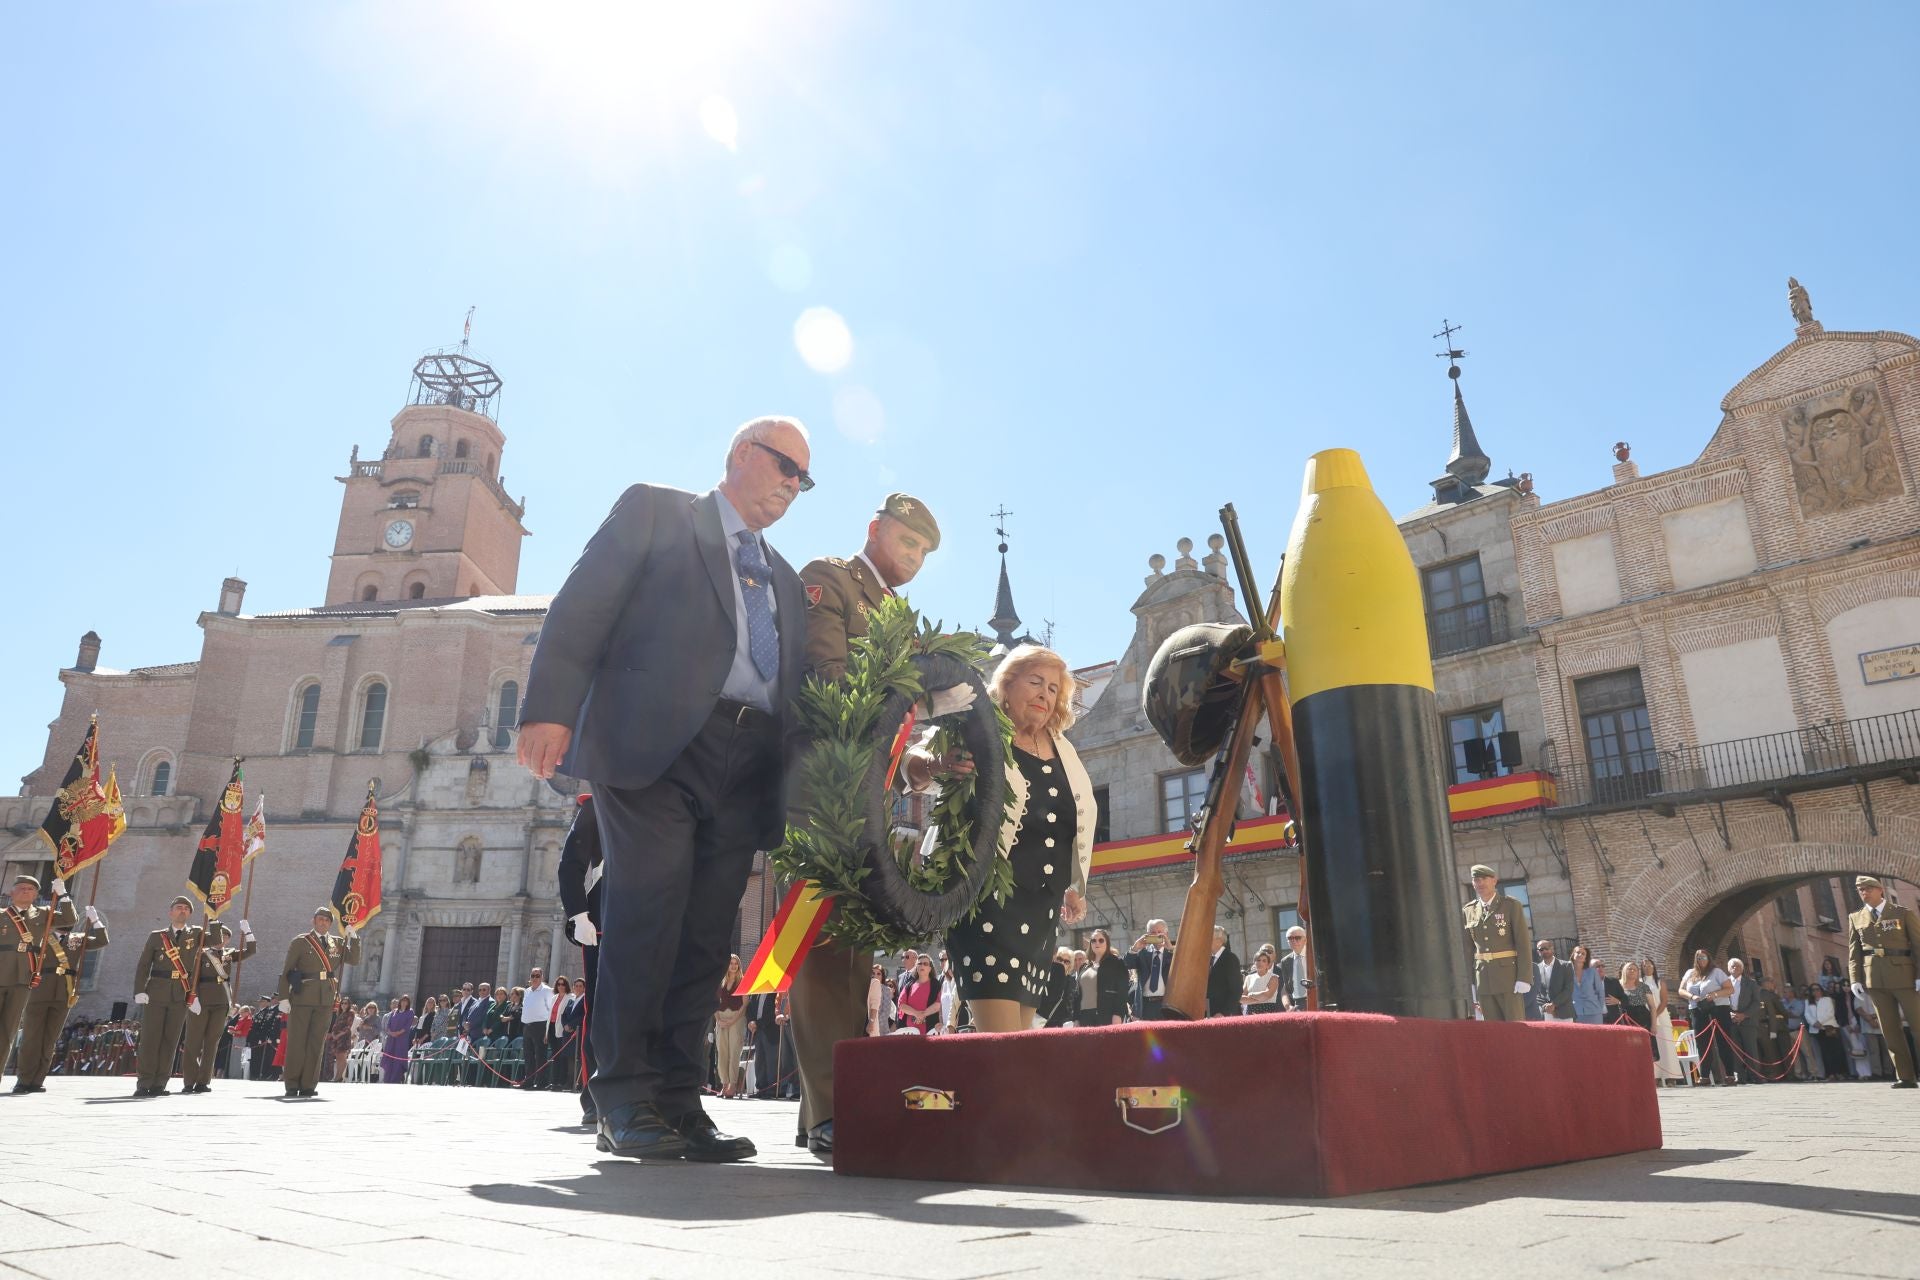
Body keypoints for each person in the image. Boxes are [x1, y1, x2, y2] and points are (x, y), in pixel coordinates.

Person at [519, 416, 812, 1164]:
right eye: (785, 467)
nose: (792, 486)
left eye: (803, 481)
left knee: (707, 936)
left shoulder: (784, 576)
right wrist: (549, 709)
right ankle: (621, 1096)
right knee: (647, 914)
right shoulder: (655, 511)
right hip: (654, 744)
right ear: (742, 454)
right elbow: (583, 605)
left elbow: (799, 684)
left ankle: (680, 1103)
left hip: (748, 761)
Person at [787, 491, 949, 1158]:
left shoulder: (896, 616)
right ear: (874, 530)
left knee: (854, 959)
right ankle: (831, 1113)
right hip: (821, 787)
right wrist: (896, 745)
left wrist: (911, 757)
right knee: (826, 952)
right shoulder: (830, 580)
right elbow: (831, 681)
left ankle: (818, 1114)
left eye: (922, 551)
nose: (912, 557)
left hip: (869, 795)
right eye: (905, 541)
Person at [921, 645, 1095, 1034]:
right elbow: (917, 755)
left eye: (1053, 689)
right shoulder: (979, 726)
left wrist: (1070, 885)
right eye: (1035, 682)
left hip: (1041, 916)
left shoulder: (1065, 750)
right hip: (988, 907)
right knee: (1001, 1048)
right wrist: (937, 765)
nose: (1044, 695)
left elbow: (1066, 823)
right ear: (1006, 684)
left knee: (1017, 1049)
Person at [12, 904, 107, 1093]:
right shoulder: (42, 936)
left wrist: (95, 921)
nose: (67, 925)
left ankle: (37, 1080)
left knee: (50, 1039)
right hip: (39, 991)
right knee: (32, 1038)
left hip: (64, 992)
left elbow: (102, 941)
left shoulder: (78, 940)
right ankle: (24, 1079)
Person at [273, 906, 360, 1099]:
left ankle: (308, 1084)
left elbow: (353, 959)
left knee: (316, 1044)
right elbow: (287, 970)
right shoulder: (301, 942)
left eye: (327, 920)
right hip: (303, 996)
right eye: (320, 919)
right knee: (297, 1042)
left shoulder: (337, 943)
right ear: (314, 921)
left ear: (330, 923)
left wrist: (353, 937)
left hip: (325, 999)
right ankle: (292, 1083)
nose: (323, 923)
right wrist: (284, 998)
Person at [1847, 874, 1920, 1088]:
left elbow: (1918, 945)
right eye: (1860, 890)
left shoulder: (1902, 913)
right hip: (1875, 979)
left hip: (1904, 976)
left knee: (1917, 1026)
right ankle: (1905, 1076)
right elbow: (1854, 952)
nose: (1864, 892)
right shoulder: (1856, 918)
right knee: (1889, 1029)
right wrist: (1855, 979)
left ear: (1881, 890)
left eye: (1868, 888)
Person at [557, 793, 603, 1120]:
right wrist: (579, 913)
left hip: (658, 914)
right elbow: (571, 862)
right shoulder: (597, 803)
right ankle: (596, 1095)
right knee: (599, 1008)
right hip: (608, 913)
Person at [132, 895, 205, 1097]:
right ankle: (144, 1082)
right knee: (150, 1039)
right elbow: (144, 964)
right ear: (170, 912)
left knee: (170, 1040)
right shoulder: (157, 936)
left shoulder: (197, 933)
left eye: (186, 908)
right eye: (178, 907)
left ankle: (159, 1083)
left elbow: (216, 939)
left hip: (180, 994)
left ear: (190, 914)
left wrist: (214, 914)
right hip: (156, 991)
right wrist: (139, 989)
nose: (182, 910)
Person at [2, 875, 79, 1062]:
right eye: (20, 887)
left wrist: (63, 895)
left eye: (30, 888)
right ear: (11, 892)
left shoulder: (43, 914)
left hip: (23, 979)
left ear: (36, 894)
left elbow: (70, 919)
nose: (25, 891)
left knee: (7, 1032)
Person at [181, 917, 256, 1094]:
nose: (222, 939)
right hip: (202, 1001)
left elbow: (251, 951)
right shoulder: (201, 953)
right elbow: (193, 977)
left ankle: (203, 1081)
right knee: (193, 1042)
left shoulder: (229, 954)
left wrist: (248, 931)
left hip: (222, 1002)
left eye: (226, 936)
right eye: (220, 935)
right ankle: (189, 1081)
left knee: (212, 1043)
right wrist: (193, 998)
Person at [1462, 865, 1532, 1021]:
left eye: (1483, 879)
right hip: (1483, 979)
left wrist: (1524, 977)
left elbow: (1523, 943)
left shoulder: (1510, 905)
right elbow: (1468, 950)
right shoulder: (1469, 910)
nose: (1479, 883)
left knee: (1515, 1027)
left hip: (1508, 978)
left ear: (1494, 881)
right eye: (1476, 880)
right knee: (1492, 1030)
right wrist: (1470, 982)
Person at [1679, 949, 1736, 1086]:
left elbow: (1730, 989)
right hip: (1697, 1009)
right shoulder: (1689, 973)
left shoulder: (1717, 972)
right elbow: (1681, 990)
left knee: (1722, 1041)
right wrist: (1692, 997)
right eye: (1699, 958)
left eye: (1704, 957)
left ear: (1708, 958)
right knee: (1702, 1042)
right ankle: (1704, 1076)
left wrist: (1715, 994)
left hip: (1718, 1008)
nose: (1701, 960)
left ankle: (1729, 1075)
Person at [1078, 929, 1130, 1025]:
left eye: (1101, 940)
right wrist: (1076, 1019)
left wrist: (1118, 1014)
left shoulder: (1117, 963)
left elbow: (1122, 991)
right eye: (1093, 940)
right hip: (1084, 1016)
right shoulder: (1084, 966)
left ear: (1107, 943)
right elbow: (1078, 994)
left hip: (1106, 1015)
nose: (1097, 943)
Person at [1645, 959, 1685, 1085]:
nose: (1647, 967)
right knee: (1653, 1048)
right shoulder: (1640, 982)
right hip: (1646, 1018)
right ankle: (1655, 1077)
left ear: (1654, 966)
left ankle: (1670, 1077)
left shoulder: (1659, 982)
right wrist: (1649, 1017)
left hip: (1661, 1016)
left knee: (1666, 1048)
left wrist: (1654, 1014)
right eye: (1644, 965)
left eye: (1649, 964)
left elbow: (1664, 1001)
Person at [712, 956, 748, 1098]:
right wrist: (718, 1019)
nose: (733, 966)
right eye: (731, 964)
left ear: (739, 966)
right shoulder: (720, 981)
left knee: (734, 1052)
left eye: (736, 964)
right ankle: (724, 1084)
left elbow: (745, 1004)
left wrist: (732, 1021)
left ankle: (732, 1085)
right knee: (722, 1053)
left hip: (736, 1019)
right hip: (720, 1019)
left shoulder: (743, 981)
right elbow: (713, 1001)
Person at [1126, 920, 1175, 1020]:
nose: (1157, 935)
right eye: (1153, 932)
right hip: (1146, 1005)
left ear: (1166, 934)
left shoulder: (1173, 953)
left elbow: (1181, 967)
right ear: (1147, 934)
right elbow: (1126, 964)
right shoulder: (1142, 953)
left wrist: (1171, 949)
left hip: (1166, 1005)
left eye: (1160, 932)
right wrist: (1135, 948)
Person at [1725, 958, 1763, 1083]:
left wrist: (1744, 1015)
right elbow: (1721, 1001)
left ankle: (1755, 1076)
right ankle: (1740, 1077)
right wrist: (1729, 1013)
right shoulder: (1724, 984)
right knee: (1735, 1050)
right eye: (1732, 966)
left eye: (1737, 966)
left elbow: (1757, 1003)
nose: (1735, 968)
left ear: (1742, 969)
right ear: (1728, 969)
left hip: (1748, 1021)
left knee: (1751, 1049)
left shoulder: (1751, 983)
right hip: (1731, 1021)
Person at [520, 968, 556, 1090]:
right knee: (528, 1055)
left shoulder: (547, 991)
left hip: (540, 1025)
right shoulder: (527, 991)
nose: (534, 978)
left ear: (542, 977)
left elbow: (550, 1010)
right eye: (532, 975)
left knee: (540, 1054)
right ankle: (529, 1080)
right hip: (527, 1026)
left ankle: (541, 1082)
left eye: (537, 976)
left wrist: (547, 1031)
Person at [1615, 960, 1654, 1060]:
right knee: (1629, 1051)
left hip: (1644, 1021)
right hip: (1625, 1021)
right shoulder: (1617, 985)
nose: (1632, 971)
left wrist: (1654, 1025)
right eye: (1629, 969)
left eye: (1635, 969)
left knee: (1645, 1051)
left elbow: (1652, 1007)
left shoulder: (1644, 986)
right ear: (1624, 971)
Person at [896, 955, 942, 1034]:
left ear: (930, 968)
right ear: (916, 967)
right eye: (919, 963)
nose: (922, 965)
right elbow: (901, 1005)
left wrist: (922, 1014)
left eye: (925, 964)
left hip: (931, 1030)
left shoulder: (936, 984)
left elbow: (938, 1004)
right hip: (910, 1032)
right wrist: (916, 1014)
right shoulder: (909, 985)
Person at [1533, 939, 1575, 1021]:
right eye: (1541, 949)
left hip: (1564, 1013)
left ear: (1552, 949)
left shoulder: (1566, 966)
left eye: (1547, 948)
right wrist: (1545, 1006)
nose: (1544, 951)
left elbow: (1569, 989)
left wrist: (1553, 1004)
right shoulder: (1536, 968)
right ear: (1538, 952)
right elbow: (1537, 991)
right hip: (1546, 1014)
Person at [1206, 926, 1243, 1019]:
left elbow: (1236, 990)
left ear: (1219, 941)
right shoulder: (1208, 959)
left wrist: (1223, 1012)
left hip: (1225, 1016)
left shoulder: (1230, 959)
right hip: (1211, 1014)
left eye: (1208, 937)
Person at [1277, 926, 1313, 1011]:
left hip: (1315, 1001)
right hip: (1297, 1004)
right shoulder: (1285, 961)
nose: (1293, 940)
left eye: (1297, 938)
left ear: (1305, 940)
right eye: (1290, 938)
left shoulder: (1313, 955)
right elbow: (1285, 987)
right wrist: (1288, 1006)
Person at [381, 995, 414, 1084]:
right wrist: (391, 1032)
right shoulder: (395, 1012)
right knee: (390, 1058)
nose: (404, 1002)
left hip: (401, 1039)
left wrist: (398, 1033)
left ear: (408, 1003)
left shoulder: (410, 1012)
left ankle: (396, 1078)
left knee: (398, 1059)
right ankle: (387, 1078)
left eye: (406, 1001)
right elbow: (389, 1024)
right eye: (402, 1000)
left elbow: (407, 1025)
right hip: (391, 1039)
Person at [1570, 944, 1605, 1025]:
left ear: (1586, 958)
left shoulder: (1592, 972)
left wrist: (1599, 1008)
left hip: (1594, 1012)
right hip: (1575, 1012)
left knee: (1596, 1036)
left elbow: (1600, 992)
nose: (1580, 955)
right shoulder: (1567, 972)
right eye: (1578, 952)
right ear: (1573, 955)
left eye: (1583, 954)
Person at [1242, 945, 1281, 1014]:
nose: (1260, 963)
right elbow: (1241, 998)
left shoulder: (1274, 977)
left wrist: (1251, 995)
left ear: (1268, 964)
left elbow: (1267, 995)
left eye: (1264, 961)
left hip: (1268, 1012)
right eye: (1258, 960)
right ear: (1254, 962)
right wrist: (1259, 999)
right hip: (1250, 1013)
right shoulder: (1249, 977)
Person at [325, 996, 354, 1082]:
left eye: (346, 1003)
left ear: (349, 1005)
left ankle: (339, 1076)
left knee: (342, 1057)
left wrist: (339, 1035)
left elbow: (348, 1026)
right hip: (336, 1038)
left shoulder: (351, 1013)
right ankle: (338, 1075)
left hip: (344, 1037)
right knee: (338, 1057)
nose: (344, 1005)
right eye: (342, 1003)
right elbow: (335, 1025)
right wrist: (333, 1034)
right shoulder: (339, 1013)